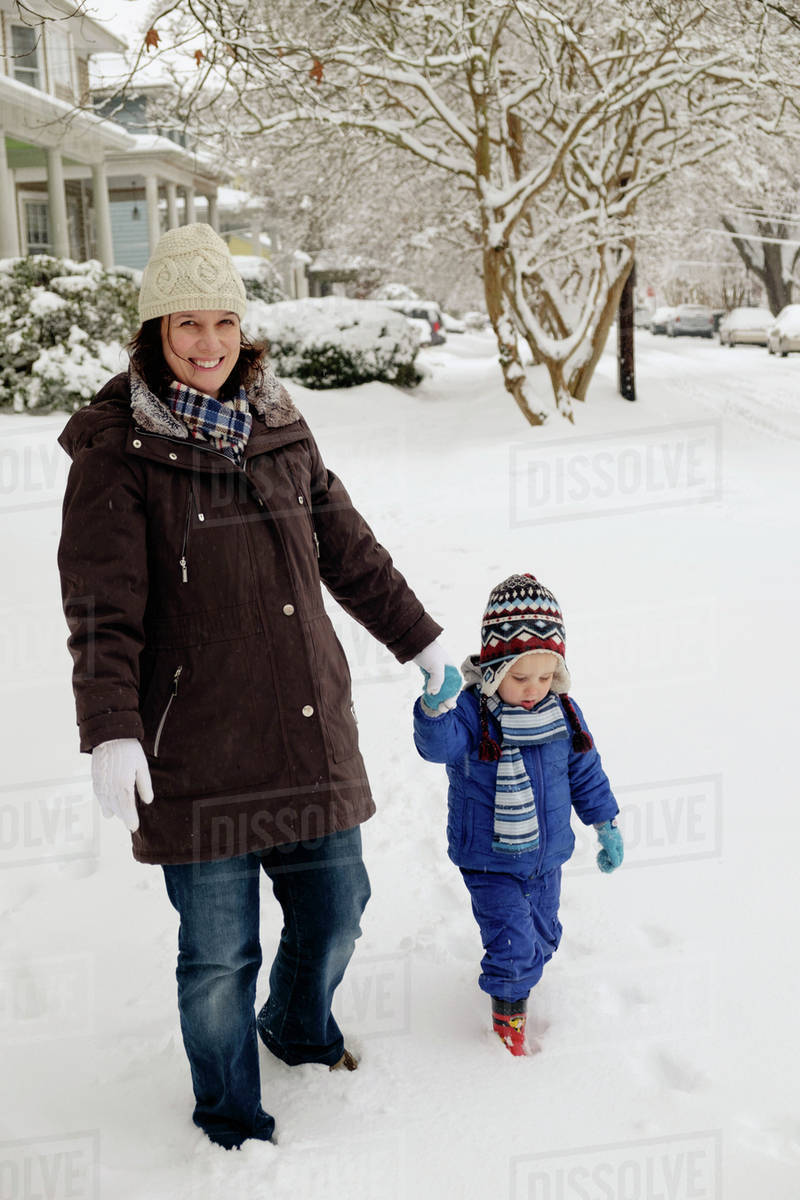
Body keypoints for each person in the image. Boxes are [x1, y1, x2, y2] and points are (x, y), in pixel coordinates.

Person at [57, 223, 461, 1149]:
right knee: (215, 959)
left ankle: (299, 1025)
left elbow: (347, 549)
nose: (206, 343)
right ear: (155, 331)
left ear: (246, 330)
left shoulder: (279, 420)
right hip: (192, 751)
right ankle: (231, 1118)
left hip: (302, 726)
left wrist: (423, 643)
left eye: (222, 323)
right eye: (185, 323)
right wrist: (111, 727)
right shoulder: (115, 451)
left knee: (337, 910)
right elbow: (100, 608)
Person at [412, 573, 623, 1056]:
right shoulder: (471, 712)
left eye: (545, 676)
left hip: (546, 858)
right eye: (520, 677)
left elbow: (585, 770)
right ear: (494, 667)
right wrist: (434, 707)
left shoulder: (563, 713)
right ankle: (508, 1028)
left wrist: (604, 822)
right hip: (489, 859)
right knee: (513, 947)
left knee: (544, 939)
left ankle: (522, 977)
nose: (533, 689)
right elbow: (437, 747)